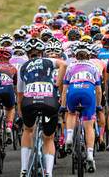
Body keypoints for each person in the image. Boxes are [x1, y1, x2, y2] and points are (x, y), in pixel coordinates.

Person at [17, 38, 67, 177]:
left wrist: (19, 111)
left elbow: (20, 94)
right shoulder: (48, 61)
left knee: (27, 130)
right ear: (42, 53)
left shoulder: (23, 66)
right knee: (49, 138)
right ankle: (49, 173)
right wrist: (56, 85)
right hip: (49, 100)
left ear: (28, 54)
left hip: (29, 101)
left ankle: (24, 169)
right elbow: (63, 64)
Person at [62, 42, 101, 173]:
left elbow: (64, 89)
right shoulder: (93, 67)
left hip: (73, 90)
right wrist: (98, 105)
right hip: (88, 92)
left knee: (71, 113)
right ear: (89, 55)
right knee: (89, 125)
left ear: (75, 55)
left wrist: (63, 106)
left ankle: (68, 137)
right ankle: (90, 155)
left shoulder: (70, 67)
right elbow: (99, 90)